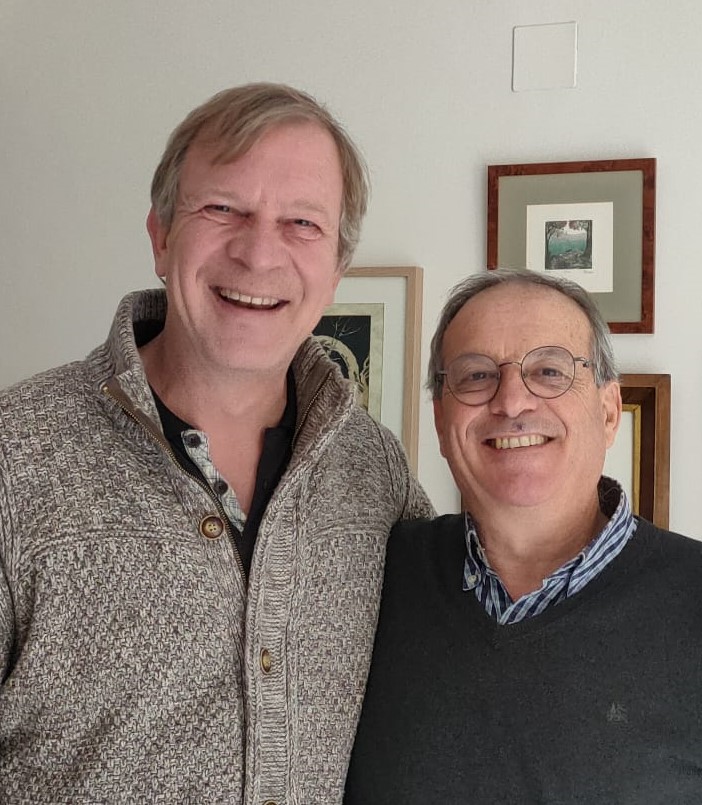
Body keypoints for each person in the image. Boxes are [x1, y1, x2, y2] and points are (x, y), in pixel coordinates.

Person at [0, 83, 432, 803]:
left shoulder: (373, 467)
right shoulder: (16, 454)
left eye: (301, 222)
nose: (258, 253)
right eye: (223, 209)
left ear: (336, 270)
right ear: (162, 236)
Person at [345, 268, 702, 804]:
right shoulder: (373, 577)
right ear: (440, 421)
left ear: (608, 411)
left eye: (549, 371)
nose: (511, 401)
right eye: (476, 375)